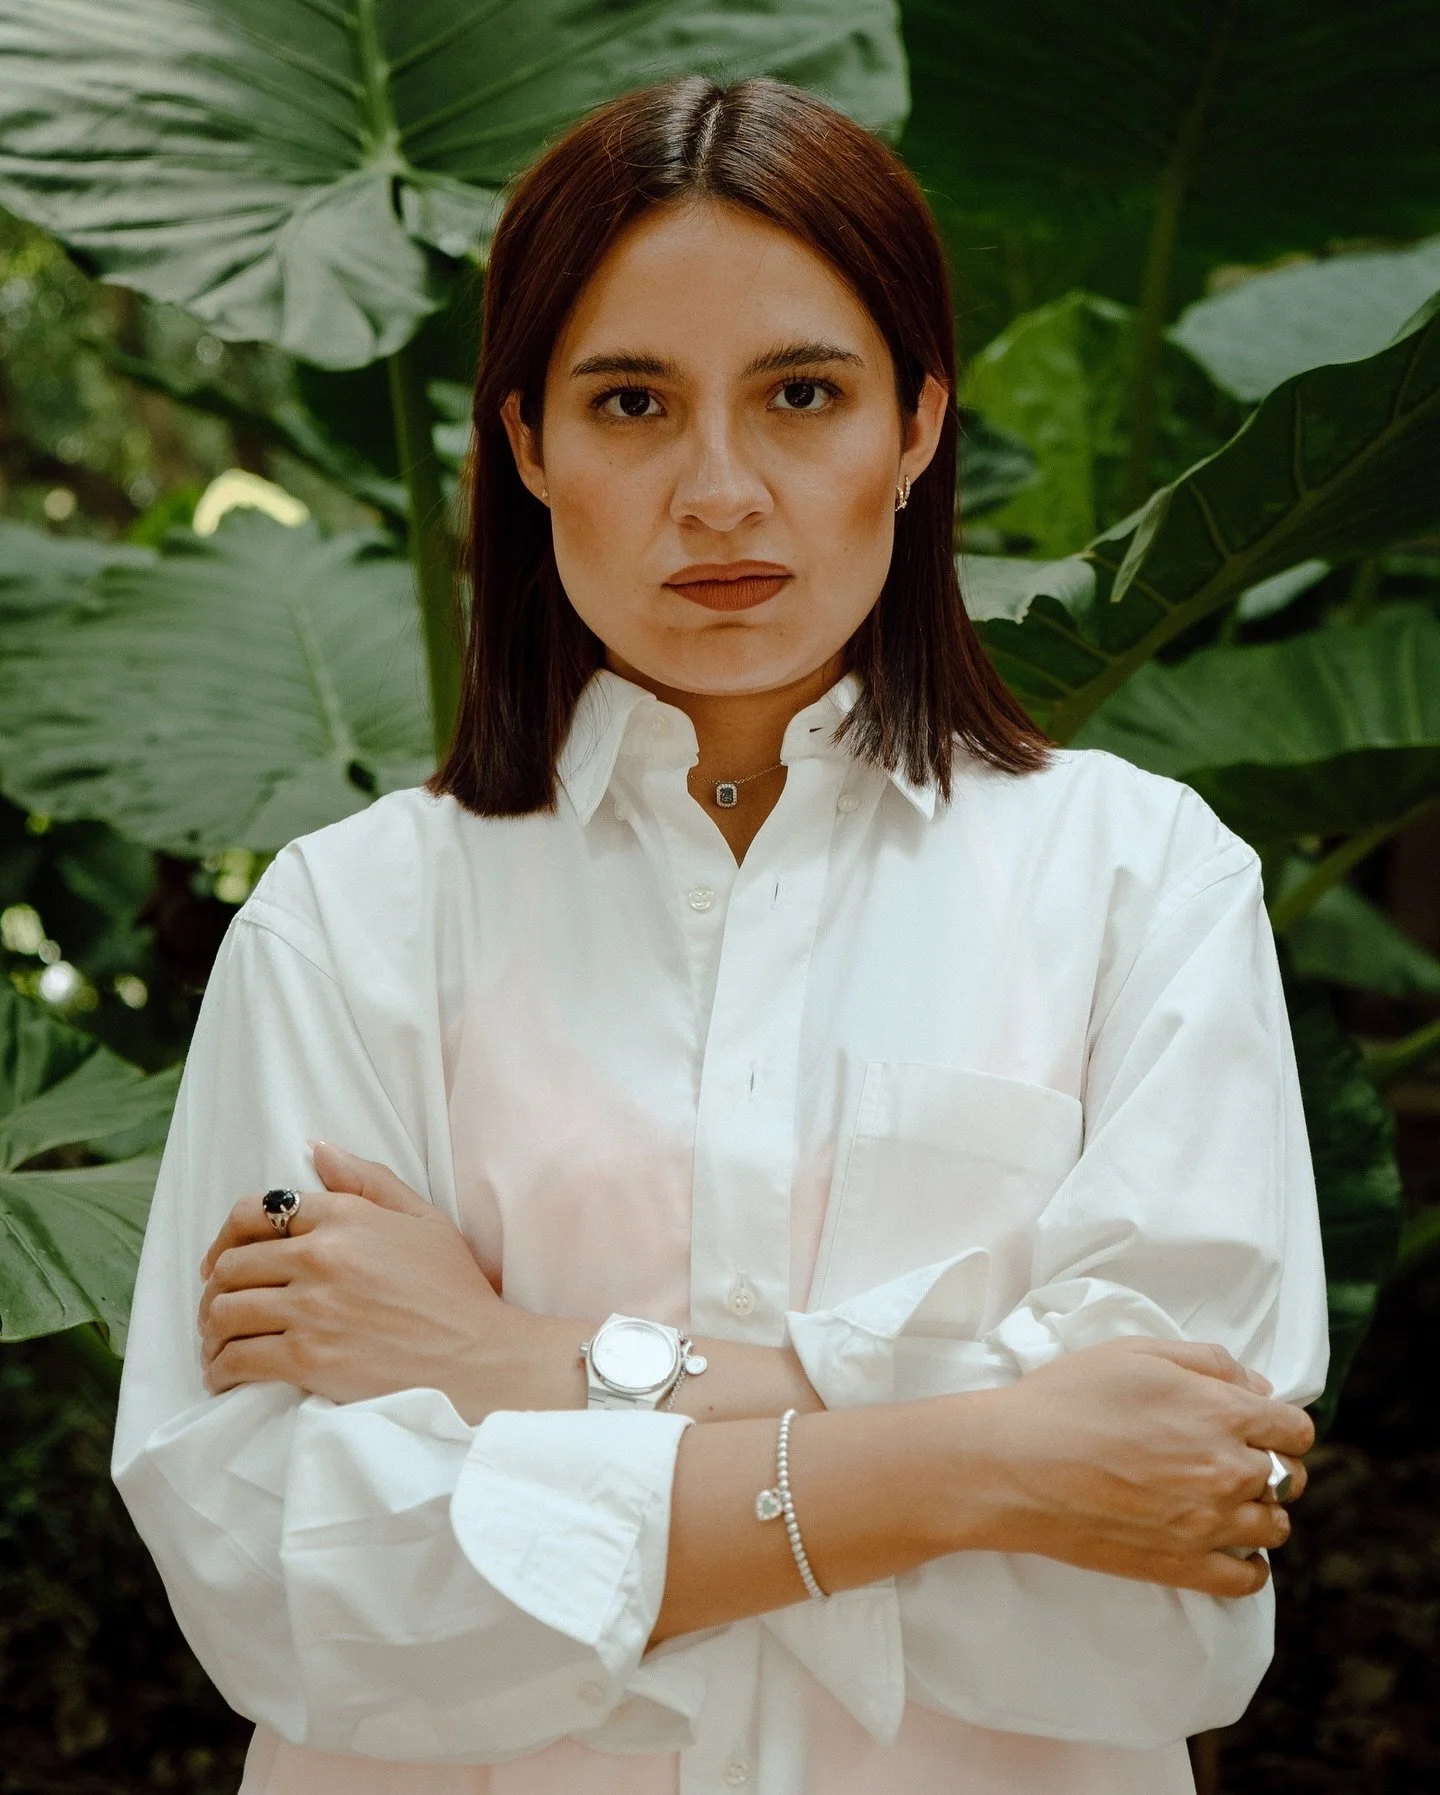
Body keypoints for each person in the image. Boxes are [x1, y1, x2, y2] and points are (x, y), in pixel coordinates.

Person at [113, 75, 1326, 1795]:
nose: (721, 490)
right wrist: (996, 1456)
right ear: (528, 442)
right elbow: (302, 1585)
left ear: (915, 422)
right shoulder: (351, 921)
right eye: (631, 403)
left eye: (803, 394)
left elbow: (1156, 1586)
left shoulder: (1142, 883)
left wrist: (520, 1367)